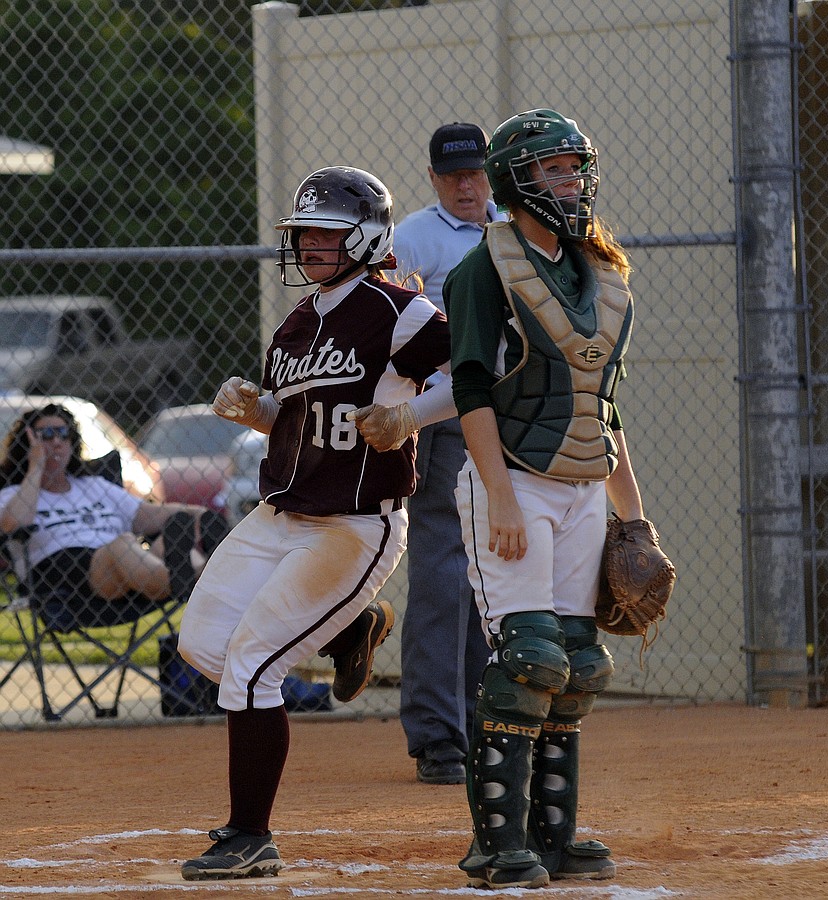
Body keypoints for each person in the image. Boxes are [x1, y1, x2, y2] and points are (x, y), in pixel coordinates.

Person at [176, 165, 456, 881]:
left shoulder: (399, 310)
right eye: (304, 234)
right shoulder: (299, 321)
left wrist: (410, 415)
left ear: (367, 237)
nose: (310, 246)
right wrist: (256, 410)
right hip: (281, 514)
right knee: (204, 645)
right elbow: (297, 420)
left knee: (251, 666)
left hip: (353, 526)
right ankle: (347, 628)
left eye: (327, 233)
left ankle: (250, 835)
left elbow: (486, 370)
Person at [443, 109, 645, 889]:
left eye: (575, 168)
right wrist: (498, 497)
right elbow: (469, 389)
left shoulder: (601, 273)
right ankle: (497, 843)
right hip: (514, 482)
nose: (571, 183)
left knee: (580, 664)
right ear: (515, 181)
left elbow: (606, 409)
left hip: (584, 489)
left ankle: (554, 837)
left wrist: (637, 518)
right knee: (527, 659)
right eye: (553, 170)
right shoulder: (484, 267)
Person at [391, 122, 502, 785]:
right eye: (452, 174)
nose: (466, 184)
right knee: (441, 575)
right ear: (433, 178)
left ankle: (484, 720)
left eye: (476, 172)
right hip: (442, 422)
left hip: (508, 419)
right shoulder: (413, 238)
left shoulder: (512, 230)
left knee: (493, 576)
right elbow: (398, 340)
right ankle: (438, 737)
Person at [0, 403, 222, 616]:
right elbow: (12, 525)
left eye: (63, 433)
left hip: (128, 570)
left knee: (170, 536)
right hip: (63, 576)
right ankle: (204, 577)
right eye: (46, 434)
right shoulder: (14, 494)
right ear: (28, 442)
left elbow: (148, 514)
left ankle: (186, 576)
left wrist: (199, 515)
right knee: (122, 544)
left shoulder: (94, 485)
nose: (57, 441)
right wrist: (36, 466)